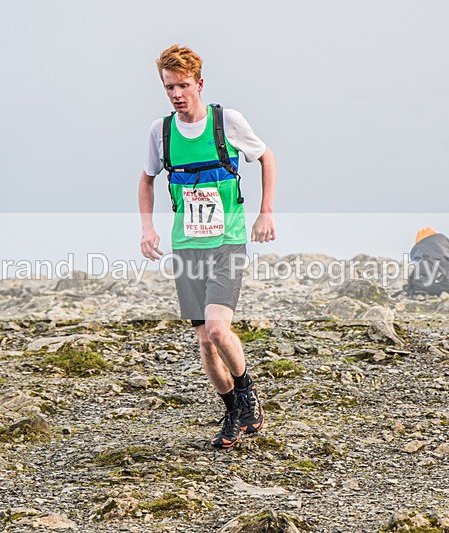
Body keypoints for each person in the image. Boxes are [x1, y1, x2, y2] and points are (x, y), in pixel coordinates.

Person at [138, 44, 277, 449]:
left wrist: (265, 212)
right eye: (169, 87)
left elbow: (267, 157)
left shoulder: (226, 122)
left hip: (227, 241)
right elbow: (146, 179)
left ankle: (247, 393)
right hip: (187, 246)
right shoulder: (161, 132)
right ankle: (233, 412)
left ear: (199, 84)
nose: (176, 94)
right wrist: (147, 228)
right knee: (204, 340)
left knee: (218, 329)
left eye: (183, 86)